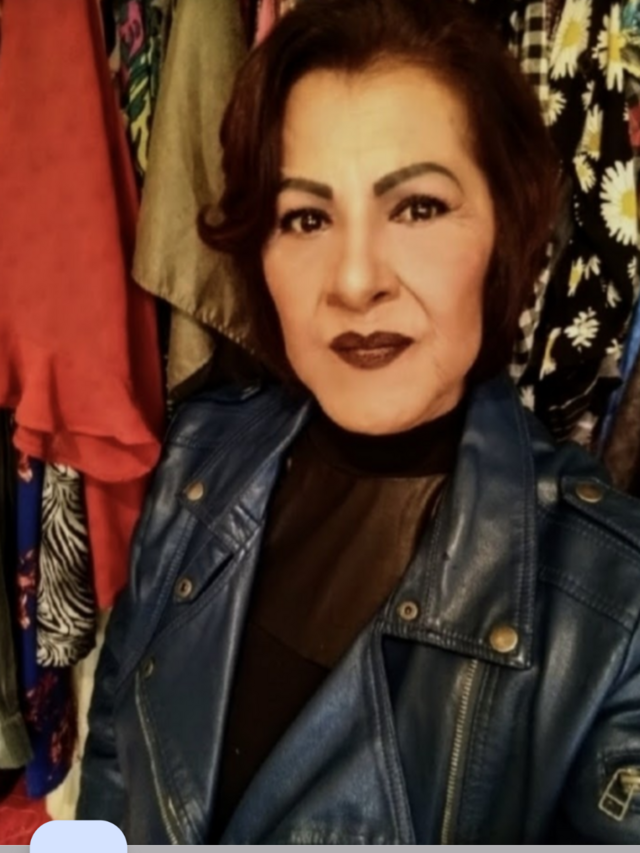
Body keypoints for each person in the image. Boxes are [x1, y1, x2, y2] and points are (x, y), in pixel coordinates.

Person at [78, 0, 640, 843]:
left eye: (417, 207)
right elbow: (116, 761)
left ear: (507, 226)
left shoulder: (617, 609)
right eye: (306, 218)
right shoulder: (198, 454)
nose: (353, 279)